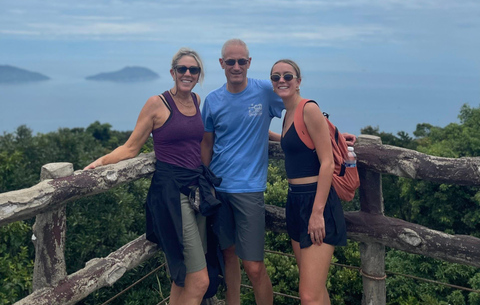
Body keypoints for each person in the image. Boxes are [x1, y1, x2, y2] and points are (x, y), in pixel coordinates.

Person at [84, 48, 220, 305]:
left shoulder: (197, 101)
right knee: (199, 280)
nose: (188, 74)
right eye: (182, 69)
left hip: (196, 190)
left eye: (194, 70)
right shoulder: (157, 104)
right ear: (173, 72)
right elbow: (131, 147)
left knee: (184, 277)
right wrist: (100, 162)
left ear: (199, 74)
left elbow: (198, 145)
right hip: (171, 193)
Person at [201, 39, 283, 305]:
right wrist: (205, 183)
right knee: (228, 256)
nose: (236, 67)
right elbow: (207, 144)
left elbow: (296, 108)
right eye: (230, 61)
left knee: (254, 266)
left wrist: (328, 134)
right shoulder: (212, 100)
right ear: (222, 64)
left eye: (241, 61)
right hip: (219, 189)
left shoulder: (264, 91)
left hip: (249, 189)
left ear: (249, 63)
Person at [270, 59, 348, 304]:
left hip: (317, 201)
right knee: (315, 290)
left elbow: (327, 162)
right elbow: (293, 142)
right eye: (276, 77)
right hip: (295, 201)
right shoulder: (288, 114)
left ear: (298, 81)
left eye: (287, 76)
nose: (282, 80)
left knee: (308, 296)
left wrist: (317, 213)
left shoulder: (308, 108)